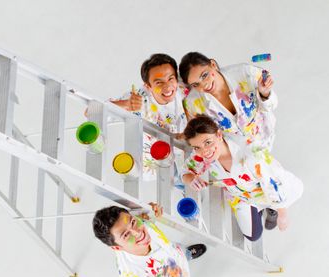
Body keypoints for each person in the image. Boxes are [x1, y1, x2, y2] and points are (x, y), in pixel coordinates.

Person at [181, 115, 303, 241]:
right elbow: (185, 171)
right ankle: (260, 209)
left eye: (208, 142)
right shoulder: (202, 156)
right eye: (197, 147)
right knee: (253, 235)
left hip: (272, 190)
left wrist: (282, 214)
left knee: (277, 203)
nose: (205, 151)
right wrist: (191, 179)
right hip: (242, 196)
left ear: (218, 135)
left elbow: (273, 183)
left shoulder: (250, 152)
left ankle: (272, 210)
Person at [92, 202, 217, 277]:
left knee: (180, 254)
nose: (138, 232)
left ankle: (187, 254)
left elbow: (143, 218)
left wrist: (152, 212)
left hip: (174, 256)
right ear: (117, 248)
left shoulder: (141, 224)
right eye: (126, 235)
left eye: (133, 222)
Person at [110, 53, 188, 181]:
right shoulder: (138, 96)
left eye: (170, 79)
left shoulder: (185, 85)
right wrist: (125, 104)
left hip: (188, 154)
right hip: (158, 161)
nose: (167, 86)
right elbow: (89, 112)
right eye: (159, 82)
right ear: (148, 86)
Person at [179, 52, 277, 151]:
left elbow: (272, 105)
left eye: (204, 75)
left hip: (264, 134)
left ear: (213, 65)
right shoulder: (193, 104)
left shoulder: (246, 73)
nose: (204, 85)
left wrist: (264, 93)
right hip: (237, 152)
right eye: (196, 84)